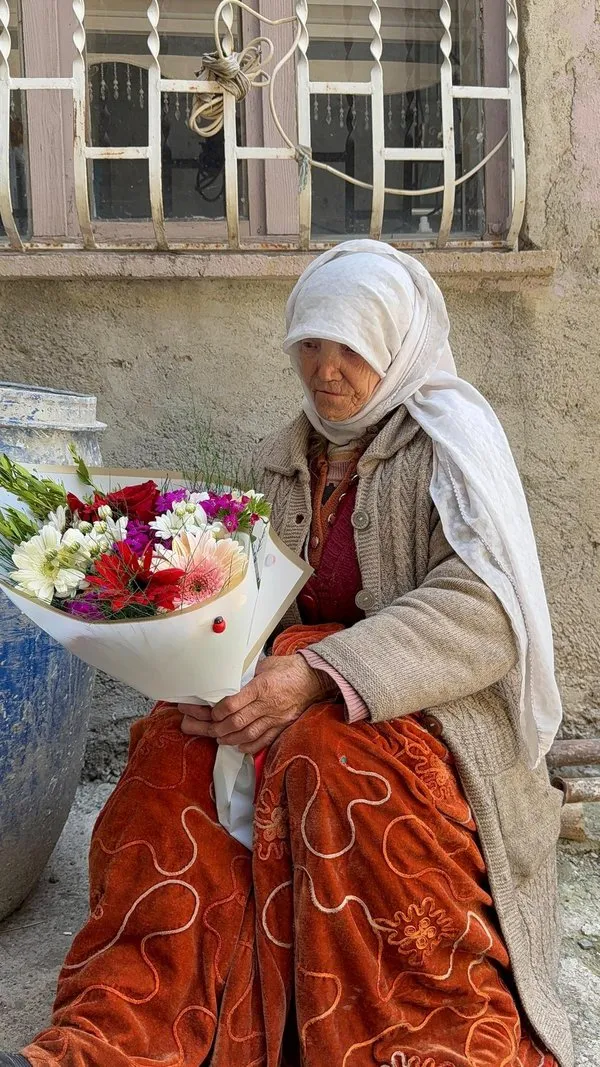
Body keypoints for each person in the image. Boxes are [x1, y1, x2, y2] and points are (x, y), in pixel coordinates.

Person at [2, 241, 572, 1067]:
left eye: (351, 347)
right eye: (309, 342)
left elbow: (483, 613)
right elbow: (256, 599)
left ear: (397, 349)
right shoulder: (284, 458)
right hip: (291, 689)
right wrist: (217, 676)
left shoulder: (450, 448)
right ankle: (118, 1033)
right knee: (175, 744)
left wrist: (312, 674)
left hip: (433, 715)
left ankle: (399, 1037)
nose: (325, 368)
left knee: (325, 755)